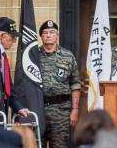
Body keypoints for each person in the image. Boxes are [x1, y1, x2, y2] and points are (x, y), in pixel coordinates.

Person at [38, 20, 81, 148]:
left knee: (60, 145)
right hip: (38, 108)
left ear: (57, 36)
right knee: (36, 144)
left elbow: (75, 84)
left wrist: (75, 109)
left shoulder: (68, 56)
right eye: (45, 32)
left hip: (61, 111)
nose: (48, 35)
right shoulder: (33, 56)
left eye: (52, 32)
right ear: (41, 36)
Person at [0, 17, 29, 118]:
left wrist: (18, 107)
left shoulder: (1, 54)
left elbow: (8, 86)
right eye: (12, 37)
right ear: (3, 36)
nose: (14, 41)